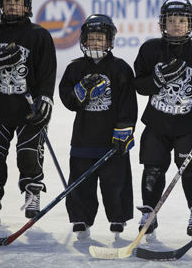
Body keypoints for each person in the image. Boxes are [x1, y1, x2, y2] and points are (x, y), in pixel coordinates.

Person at [133, 0, 192, 237]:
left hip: (188, 127)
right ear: (163, 23)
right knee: (152, 169)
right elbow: (139, 84)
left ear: (190, 22)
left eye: (182, 20)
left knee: (191, 170)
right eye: (171, 20)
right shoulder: (151, 49)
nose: (177, 25)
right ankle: (149, 212)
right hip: (157, 125)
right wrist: (157, 80)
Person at [0, 0, 57, 222]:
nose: (12, 6)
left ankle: (32, 193)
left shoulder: (39, 35)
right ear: (1, 5)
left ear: (27, 6)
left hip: (28, 109)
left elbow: (47, 73)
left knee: (29, 154)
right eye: (7, 2)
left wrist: (45, 100)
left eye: (17, 2)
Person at [59, 14, 137, 239]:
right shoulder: (75, 68)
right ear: (84, 39)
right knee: (81, 183)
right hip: (83, 138)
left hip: (112, 139)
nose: (95, 43)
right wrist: (77, 94)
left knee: (116, 182)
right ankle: (81, 219)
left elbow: (127, 102)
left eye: (100, 38)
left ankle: (117, 217)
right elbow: (67, 98)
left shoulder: (120, 68)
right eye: (91, 38)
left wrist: (125, 127)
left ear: (110, 40)